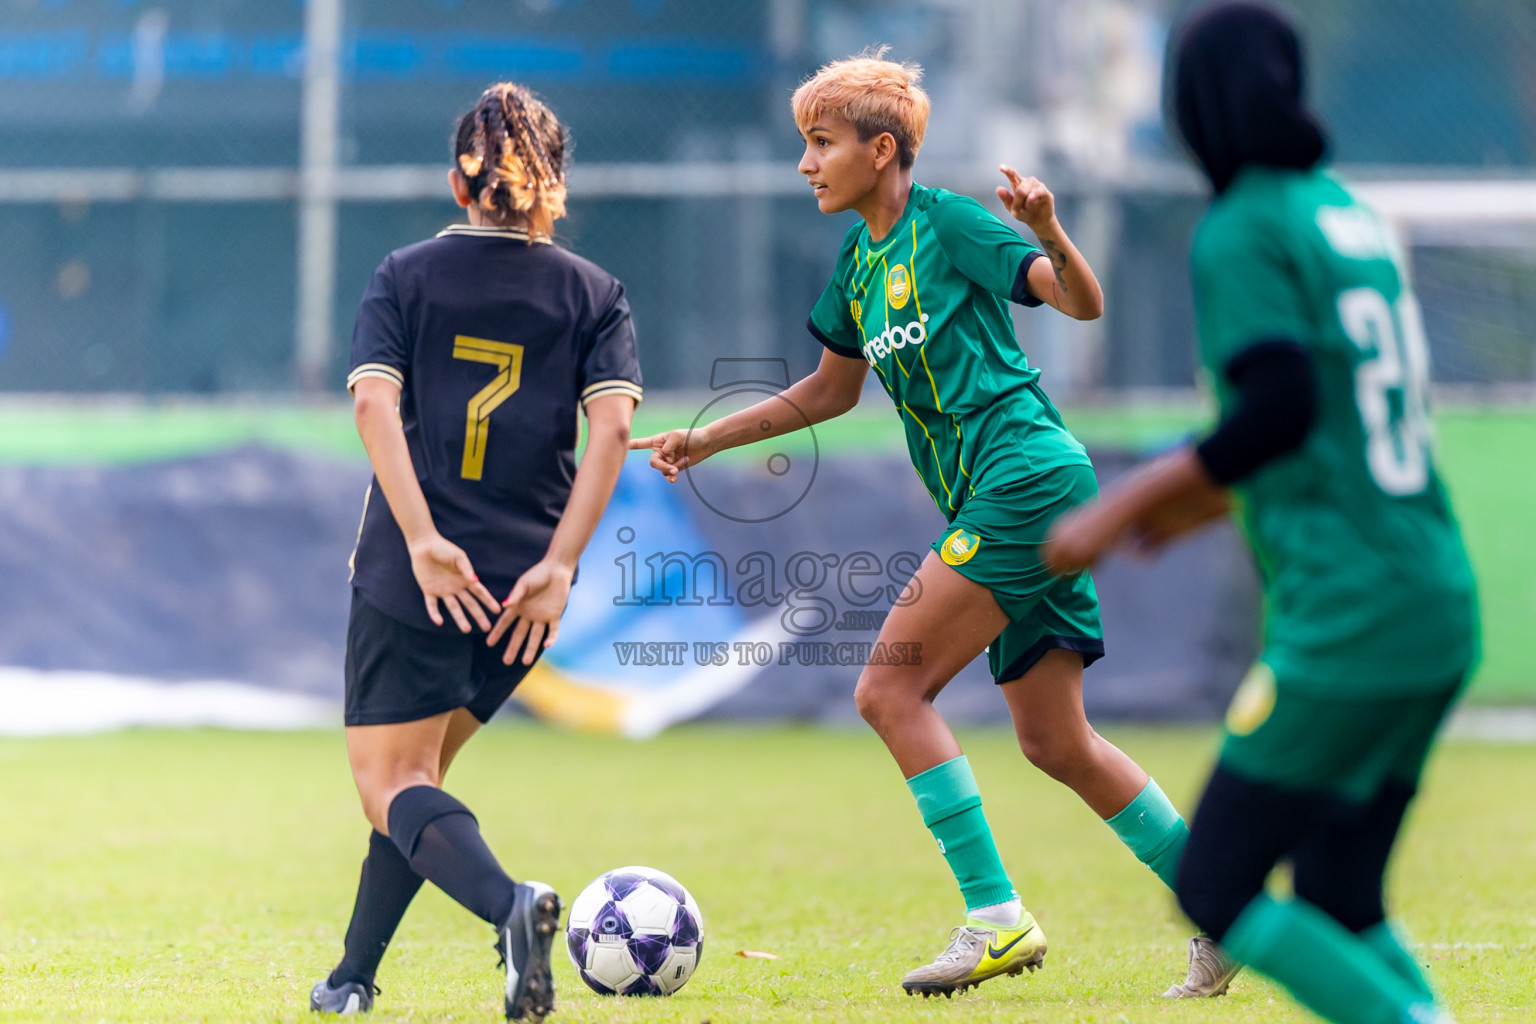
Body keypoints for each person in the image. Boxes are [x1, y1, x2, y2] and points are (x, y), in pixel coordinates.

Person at [632, 50, 1219, 998]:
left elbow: (1079, 301)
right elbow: (827, 391)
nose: (806, 164)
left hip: (1026, 480)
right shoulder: (858, 265)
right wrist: (709, 439)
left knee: (886, 689)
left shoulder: (947, 223)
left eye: (821, 144)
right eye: (804, 146)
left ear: (883, 148)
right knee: (1056, 743)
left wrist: (1049, 232)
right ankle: (1225, 909)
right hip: (1009, 495)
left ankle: (996, 918)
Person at [1043, 5, 1479, 1023]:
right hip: (1432, 594)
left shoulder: (1242, 228)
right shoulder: (1344, 213)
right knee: (1339, 890)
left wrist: (1121, 509)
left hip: (1353, 615)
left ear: (1193, 107)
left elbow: (1279, 406)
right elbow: (1320, 414)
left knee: (1216, 887)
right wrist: (1207, 499)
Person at [308, 82, 643, 1020]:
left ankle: (511, 910)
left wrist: (420, 540)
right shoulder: (594, 291)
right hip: (522, 589)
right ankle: (351, 978)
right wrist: (562, 565)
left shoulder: (404, 274)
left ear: (459, 180)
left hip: (419, 579)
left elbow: (373, 404)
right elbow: (612, 430)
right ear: (556, 184)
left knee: (393, 785)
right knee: (420, 787)